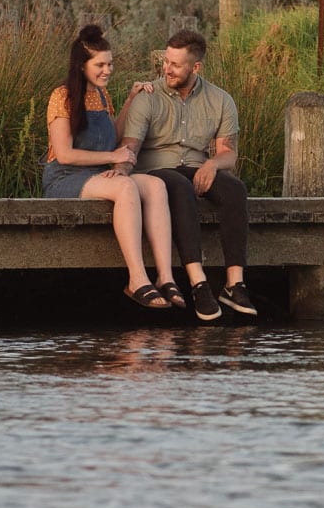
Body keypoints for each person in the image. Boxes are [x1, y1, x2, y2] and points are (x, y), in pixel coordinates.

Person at [118, 28, 257, 322]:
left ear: (195, 67)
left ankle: (235, 284)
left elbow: (228, 153)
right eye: (165, 62)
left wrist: (212, 165)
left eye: (175, 65)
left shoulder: (221, 100)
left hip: (197, 167)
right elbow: (130, 147)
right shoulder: (148, 97)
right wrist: (119, 173)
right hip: (158, 171)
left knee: (235, 189)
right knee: (180, 186)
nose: (167, 69)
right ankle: (198, 283)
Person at [43, 25, 183, 310]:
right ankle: (137, 278)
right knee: (125, 185)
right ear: (81, 66)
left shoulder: (102, 95)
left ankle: (166, 277)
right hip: (65, 177)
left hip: (95, 175)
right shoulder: (62, 96)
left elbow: (114, 137)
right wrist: (113, 155)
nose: (107, 70)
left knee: (156, 185)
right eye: (100, 65)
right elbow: (65, 155)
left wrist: (131, 100)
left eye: (110, 63)